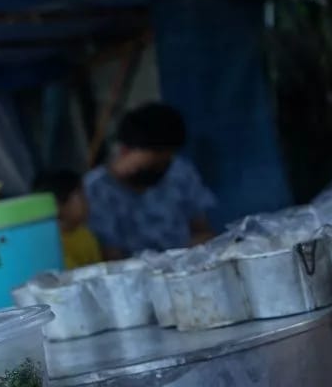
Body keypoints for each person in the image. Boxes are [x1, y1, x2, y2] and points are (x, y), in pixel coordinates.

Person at [84, 102, 216, 259]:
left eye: (165, 162)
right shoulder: (94, 191)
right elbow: (110, 258)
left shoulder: (180, 173)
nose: (162, 168)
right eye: (154, 162)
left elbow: (203, 231)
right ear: (125, 150)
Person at [34, 170, 103, 269]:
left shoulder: (86, 235)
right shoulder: (50, 245)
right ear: (58, 205)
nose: (87, 201)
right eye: (81, 196)